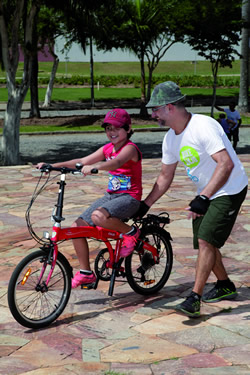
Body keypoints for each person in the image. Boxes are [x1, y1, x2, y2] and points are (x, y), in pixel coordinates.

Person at [137, 81, 248, 318]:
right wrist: (145, 204)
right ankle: (225, 285)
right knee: (204, 239)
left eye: (156, 109)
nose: (153, 114)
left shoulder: (203, 126)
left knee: (207, 240)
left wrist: (203, 197)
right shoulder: (170, 138)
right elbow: (165, 177)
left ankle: (194, 298)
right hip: (207, 192)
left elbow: (226, 164)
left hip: (230, 189)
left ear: (170, 108)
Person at [36, 108, 142, 289]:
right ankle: (86, 273)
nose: (111, 132)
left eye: (116, 128)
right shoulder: (108, 148)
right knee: (78, 227)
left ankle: (131, 234)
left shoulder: (130, 149)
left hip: (129, 198)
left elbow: (116, 163)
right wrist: (53, 166)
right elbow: (82, 161)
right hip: (112, 196)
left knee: (98, 216)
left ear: (128, 128)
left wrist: (97, 167)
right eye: (108, 128)